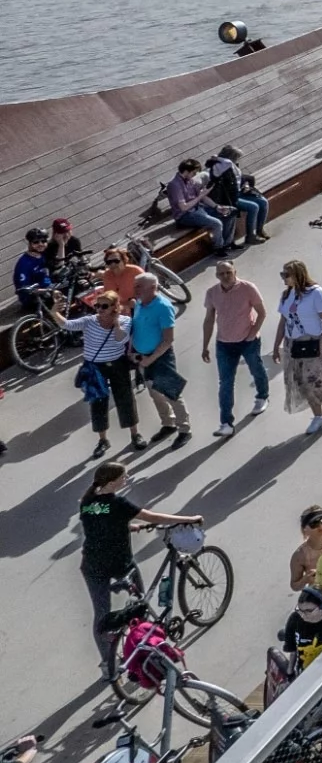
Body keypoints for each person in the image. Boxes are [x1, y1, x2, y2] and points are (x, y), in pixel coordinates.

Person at [78, 460, 202, 682]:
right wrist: (188, 518)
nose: (126, 480)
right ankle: (146, 648)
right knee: (141, 605)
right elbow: (152, 517)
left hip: (92, 566)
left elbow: (101, 523)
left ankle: (108, 664)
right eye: (124, 477)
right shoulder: (119, 504)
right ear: (113, 481)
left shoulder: (88, 503)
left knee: (102, 615)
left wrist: (129, 526)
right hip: (120, 564)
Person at [61, 290, 142, 457]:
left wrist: (116, 323)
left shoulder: (125, 321)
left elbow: (121, 339)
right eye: (97, 305)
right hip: (95, 366)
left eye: (104, 306)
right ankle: (102, 440)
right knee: (98, 401)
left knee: (125, 397)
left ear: (114, 307)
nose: (100, 309)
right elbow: (67, 325)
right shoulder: (89, 321)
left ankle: (134, 434)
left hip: (117, 364)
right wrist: (54, 311)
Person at [272, 258, 322, 436]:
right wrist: (276, 346)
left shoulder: (315, 294)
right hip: (292, 344)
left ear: (298, 275)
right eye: (283, 275)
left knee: (314, 379)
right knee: (301, 382)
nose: (284, 278)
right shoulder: (286, 295)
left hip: (312, 341)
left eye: (286, 275)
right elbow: (283, 321)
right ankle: (318, 416)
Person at [200, 258, 269, 436]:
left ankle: (262, 395)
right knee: (225, 383)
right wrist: (205, 345)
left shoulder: (248, 288)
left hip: (248, 341)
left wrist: (252, 334)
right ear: (216, 276)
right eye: (221, 274)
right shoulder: (212, 293)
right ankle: (226, 423)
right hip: (224, 343)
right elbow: (209, 319)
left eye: (228, 272)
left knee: (256, 368)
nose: (225, 276)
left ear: (234, 272)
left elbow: (262, 312)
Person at [127, 273, 191, 450]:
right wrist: (131, 350)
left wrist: (150, 359)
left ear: (153, 288)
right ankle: (168, 424)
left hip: (159, 357)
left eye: (139, 286)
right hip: (142, 356)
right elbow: (136, 328)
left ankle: (184, 428)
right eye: (136, 285)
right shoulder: (139, 303)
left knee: (171, 393)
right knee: (154, 393)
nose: (135, 289)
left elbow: (168, 339)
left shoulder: (163, 307)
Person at [165, 157, 236, 254]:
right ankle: (218, 248)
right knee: (216, 223)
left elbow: (202, 197)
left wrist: (217, 207)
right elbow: (184, 207)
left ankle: (227, 243)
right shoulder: (175, 185)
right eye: (194, 173)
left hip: (198, 209)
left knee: (231, 212)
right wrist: (201, 196)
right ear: (186, 171)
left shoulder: (190, 180)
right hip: (185, 216)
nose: (195, 175)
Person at [205, 146, 269, 244]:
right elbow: (226, 170)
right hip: (229, 197)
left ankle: (259, 230)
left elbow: (238, 177)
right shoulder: (220, 166)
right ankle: (250, 236)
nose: (237, 160)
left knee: (263, 202)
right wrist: (217, 158)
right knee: (253, 207)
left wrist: (245, 184)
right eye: (237, 157)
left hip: (240, 191)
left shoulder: (231, 164)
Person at [289, 503, 322, 593]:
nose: (321, 526)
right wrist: (305, 579)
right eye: (314, 524)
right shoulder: (300, 556)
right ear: (305, 529)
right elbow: (294, 585)